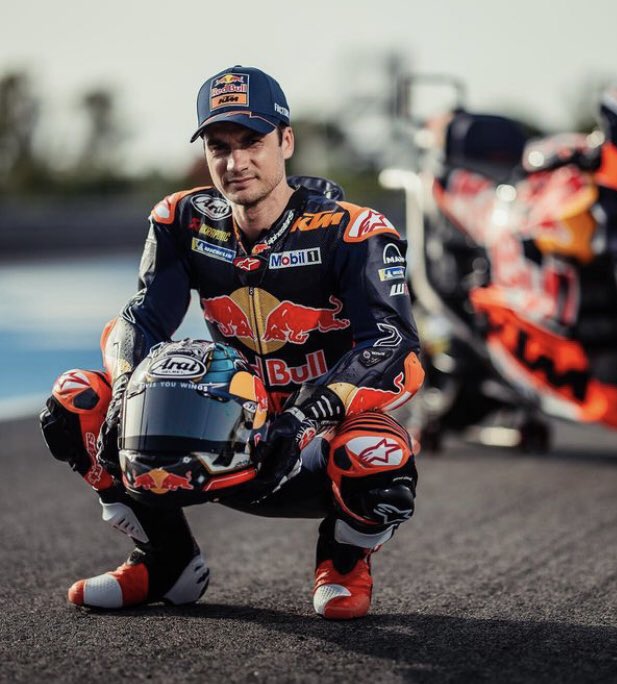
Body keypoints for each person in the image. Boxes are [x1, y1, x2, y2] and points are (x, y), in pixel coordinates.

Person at [40, 65, 424, 620]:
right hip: (223, 432)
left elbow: (396, 349)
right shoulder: (181, 219)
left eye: (251, 142)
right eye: (219, 146)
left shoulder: (354, 231)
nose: (235, 162)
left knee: (379, 453)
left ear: (286, 141)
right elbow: (139, 320)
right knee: (76, 401)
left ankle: (343, 562)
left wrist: (306, 417)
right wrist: (125, 390)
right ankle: (167, 561)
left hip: (309, 441)